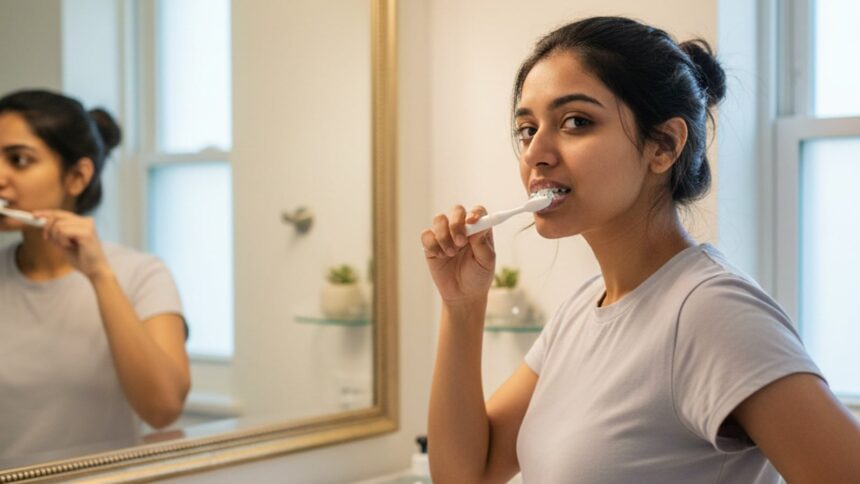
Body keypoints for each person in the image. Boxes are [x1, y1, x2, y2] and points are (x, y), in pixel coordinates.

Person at [421, 16, 860, 483]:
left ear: (664, 146)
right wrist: (462, 306)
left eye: (576, 121)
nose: (535, 153)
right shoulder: (580, 312)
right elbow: (466, 475)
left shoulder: (710, 311)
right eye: (527, 129)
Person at [0, 90, 190, 461]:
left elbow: (163, 409)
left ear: (77, 176)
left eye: (19, 160)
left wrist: (100, 275)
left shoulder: (142, 276)